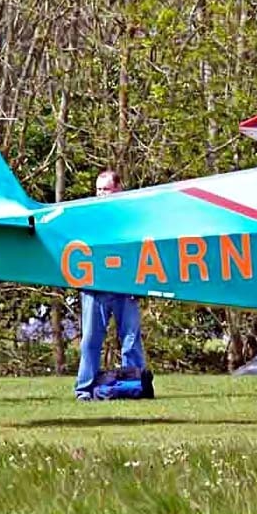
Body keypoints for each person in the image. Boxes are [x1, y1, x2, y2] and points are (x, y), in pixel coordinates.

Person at [74, 169, 151, 400]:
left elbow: (140, 250)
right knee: (90, 341)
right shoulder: (86, 218)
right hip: (94, 288)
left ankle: (134, 384)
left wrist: (140, 284)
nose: (100, 194)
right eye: (98, 190)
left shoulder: (131, 218)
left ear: (118, 189)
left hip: (124, 287)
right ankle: (84, 389)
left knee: (130, 339)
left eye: (105, 189)